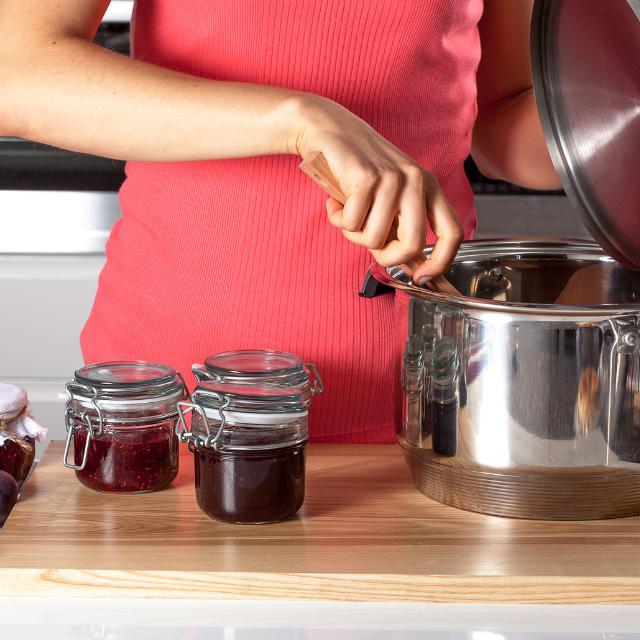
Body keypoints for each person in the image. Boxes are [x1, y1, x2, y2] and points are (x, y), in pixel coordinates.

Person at [0, 0, 560, 443]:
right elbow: (14, 71)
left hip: (430, 394)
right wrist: (302, 121)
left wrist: (609, 129)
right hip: (178, 407)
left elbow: (503, 122)